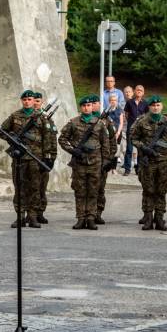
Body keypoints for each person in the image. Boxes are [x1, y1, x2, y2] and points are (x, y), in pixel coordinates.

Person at [0, 90, 52, 228]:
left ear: (34, 101)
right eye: (25, 99)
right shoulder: (15, 115)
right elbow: (1, 131)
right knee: (19, 187)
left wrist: (47, 157)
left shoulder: (41, 117)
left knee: (35, 187)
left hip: (35, 158)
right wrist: (12, 139)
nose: (27, 102)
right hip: (19, 157)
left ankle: (32, 216)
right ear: (22, 101)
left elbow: (47, 139)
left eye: (30, 99)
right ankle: (20, 216)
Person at [59, 95, 110, 230]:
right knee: (80, 191)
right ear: (80, 108)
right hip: (79, 162)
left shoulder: (99, 123)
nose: (87, 108)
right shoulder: (73, 123)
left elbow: (105, 144)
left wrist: (105, 162)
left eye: (89, 106)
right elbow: (62, 139)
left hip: (95, 163)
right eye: (84, 106)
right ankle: (81, 218)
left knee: (93, 191)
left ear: (92, 107)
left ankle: (91, 218)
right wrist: (73, 151)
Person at [130, 95, 167, 231]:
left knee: (161, 191)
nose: (155, 107)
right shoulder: (142, 121)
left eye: (158, 105)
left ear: (161, 106)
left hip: (163, 162)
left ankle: (160, 218)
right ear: (149, 107)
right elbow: (133, 137)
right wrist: (143, 147)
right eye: (153, 105)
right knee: (148, 190)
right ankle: (148, 218)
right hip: (147, 162)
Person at [92, 94, 117, 224]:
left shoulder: (106, 120)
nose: (95, 105)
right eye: (92, 103)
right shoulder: (83, 120)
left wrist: (110, 158)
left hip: (103, 160)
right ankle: (87, 214)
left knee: (100, 188)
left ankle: (98, 213)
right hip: (88, 160)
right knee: (87, 188)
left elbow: (113, 140)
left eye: (96, 103)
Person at [34, 91, 58, 224]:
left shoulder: (47, 118)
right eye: (34, 101)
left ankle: (40, 212)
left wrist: (51, 158)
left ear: (41, 102)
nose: (35, 104)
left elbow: (53, 138)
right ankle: (28, 213)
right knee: (29, 187)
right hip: (30, 157)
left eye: (38, 101)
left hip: (43, 158)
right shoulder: (27, 117)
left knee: (42, 187)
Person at [122, 85, 148, 175]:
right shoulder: (129, 102)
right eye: (137, 90)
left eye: (141, 90)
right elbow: (126, 114)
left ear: (143, 92)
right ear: (134, 91)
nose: (139, 91)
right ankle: (127, 169)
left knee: (140, 149)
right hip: (130, 128)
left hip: (141, 130)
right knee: (129, 149)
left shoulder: (145, 103)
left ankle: (139, 169)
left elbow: (147, 116)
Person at [107, 94, 124, 173]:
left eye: (114, 100)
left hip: (117, 132)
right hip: (108, 133)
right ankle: (108, 167)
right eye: (111, 100)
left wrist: (118, 132)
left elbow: (121, 123)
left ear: (117, 101)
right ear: (109, 101)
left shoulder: (119, 110)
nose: (113, 102)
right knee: (108, 150)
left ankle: (114, 168)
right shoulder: (106, 110)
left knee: (116, 151)